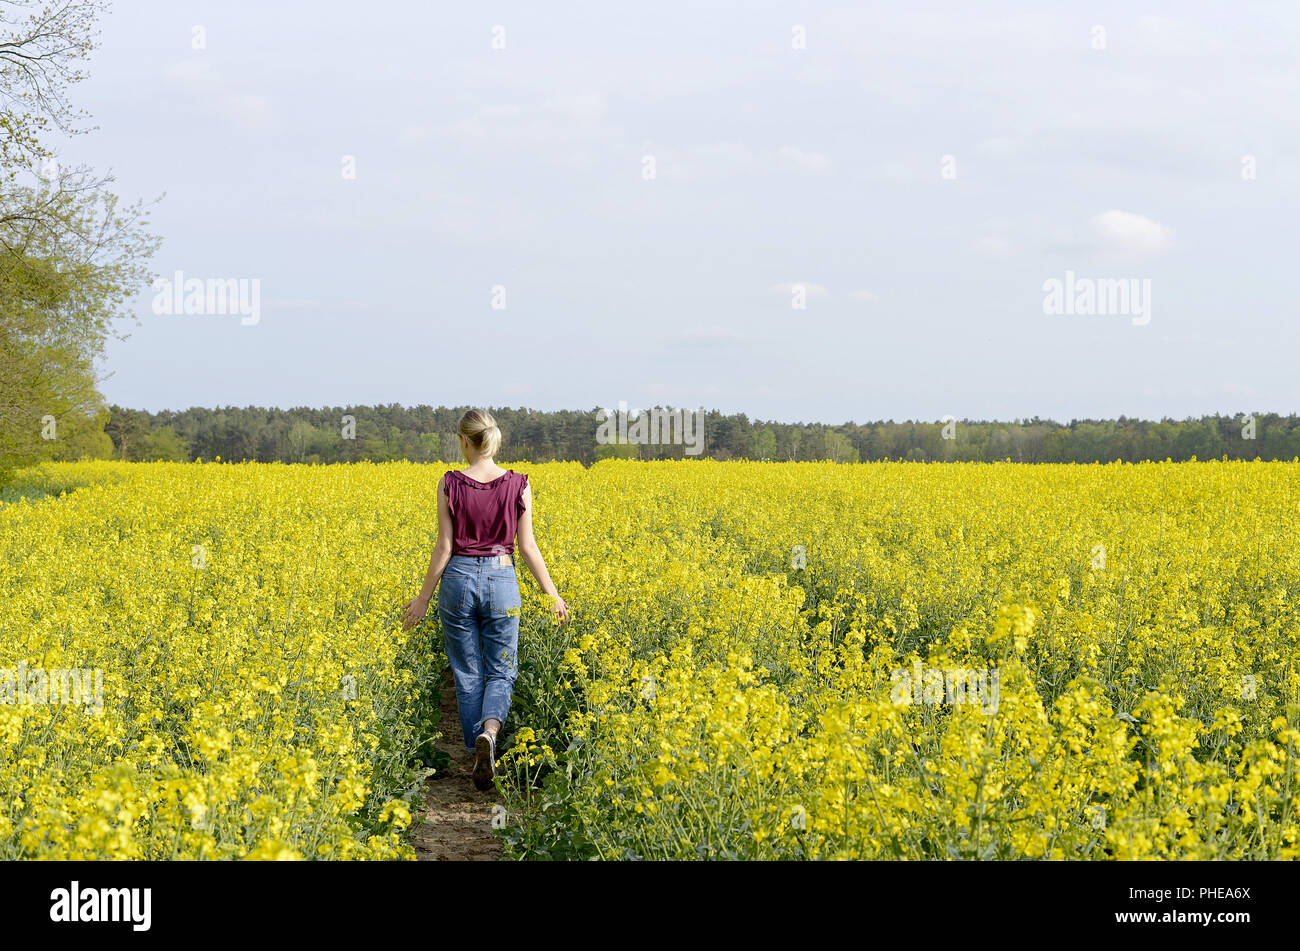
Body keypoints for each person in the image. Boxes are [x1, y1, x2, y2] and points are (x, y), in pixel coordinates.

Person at [402, 409, 570, 790]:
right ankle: (490, 737)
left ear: (464, 441)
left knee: (467, 674)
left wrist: (422, 599)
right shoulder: (519, 484)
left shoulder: (450, 483)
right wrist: (552, 594)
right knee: (502, 670)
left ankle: (475, 747)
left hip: (458, 577)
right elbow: (527, 547)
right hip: (501, 576)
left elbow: (444, 547)